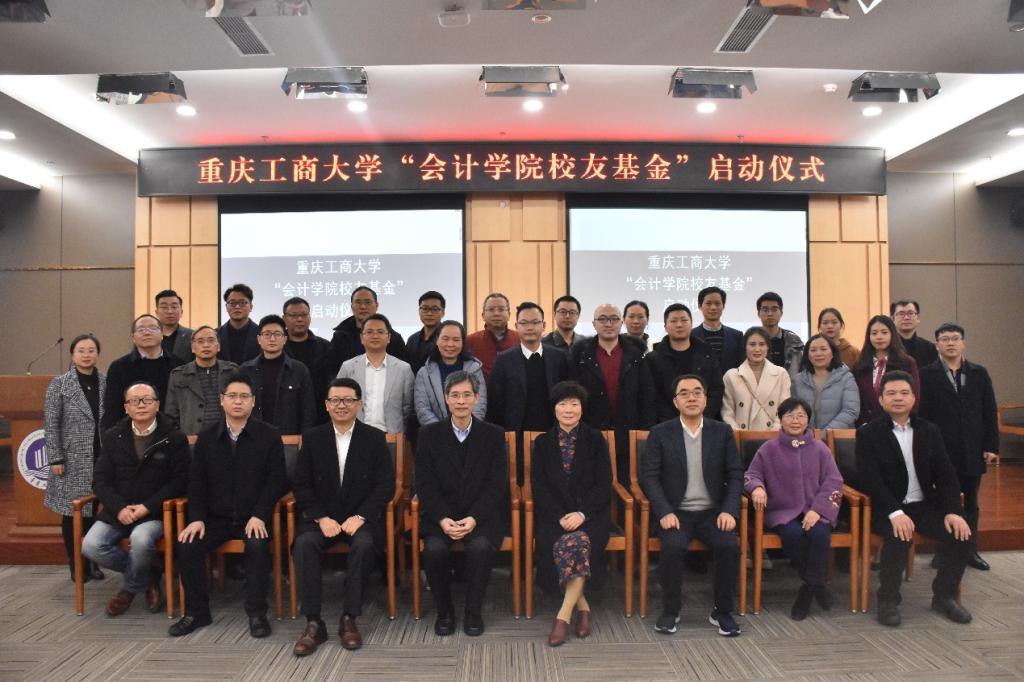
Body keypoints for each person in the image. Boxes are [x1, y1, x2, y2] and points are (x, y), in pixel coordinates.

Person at [172, 372, 287, 638]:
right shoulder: (207, 438)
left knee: (257, 545)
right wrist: (196, 518)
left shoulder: (269, 435)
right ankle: (196, 612)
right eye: (232, 396)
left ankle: (257, 613)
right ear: (221, 400)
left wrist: (260, 515)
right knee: (188, 544)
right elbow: (197, 483)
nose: (238, 401)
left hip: (254, 517)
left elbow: (276, 481)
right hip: (217, 518)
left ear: (253, 401)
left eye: (244, 397)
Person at [855, 371, 972, 627]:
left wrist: (953, 511)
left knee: (961, 534)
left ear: (913, 398)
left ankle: (944, 596)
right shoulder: (868, 434)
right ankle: (888, 600)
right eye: (891, 393)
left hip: (924, 506)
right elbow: (870, 480)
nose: (898, 398)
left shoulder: (930, 430)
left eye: (904, 393)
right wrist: (895, 513)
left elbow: (946, 474)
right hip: (887, 507)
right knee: (899, 536)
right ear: (881, 400)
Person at [290, 378, 396, 655]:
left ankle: (349, 618)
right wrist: (320, 517)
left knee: (364, 545)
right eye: (335, 400)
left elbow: (385, 485)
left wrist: (361, 516)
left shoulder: (374, 438)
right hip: (322, 519)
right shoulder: (312, 438)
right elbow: (301, 483)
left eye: (348, 400)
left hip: (359, 519)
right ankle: (313, 622)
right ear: (326, 405)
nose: (341, 405)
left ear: (359, 404)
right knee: (304, 544)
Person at [640, 374, 743, 637]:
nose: (691, 398)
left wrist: (729, 510)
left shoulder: (722, 432)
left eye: (697, 392)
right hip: (676, 512)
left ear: (706, 399)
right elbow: (649, 477)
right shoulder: (660, 433)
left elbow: (735, 474)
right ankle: (670, 610)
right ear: (675, 402)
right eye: (684, 393)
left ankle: (722, 611)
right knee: (673, 547)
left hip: (713, 512)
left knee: (729, 546)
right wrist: (664, 511)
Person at [414, 371, 509, 637]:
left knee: (480, 548)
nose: (461, 401)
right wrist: (442, 518)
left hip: (480, 517)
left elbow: (496, 484)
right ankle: (444, 612)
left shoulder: (493, 434)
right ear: (446, 398)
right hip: (441, 517)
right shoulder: (428, 434)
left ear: (477, 398)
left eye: (467, 395)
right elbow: (425, 484)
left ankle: (473, 611)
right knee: (434, 550)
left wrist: (474, 518)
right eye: (455, 395)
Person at [83, 381, 189, 616]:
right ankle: (148, 574)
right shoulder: (113, 436)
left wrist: (147, 507)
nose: (141, 405)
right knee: (91, 546)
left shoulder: (174, 437)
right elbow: (100, 480)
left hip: (155, 512)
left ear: (157, 405)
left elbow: (180, 482)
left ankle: (130, 589)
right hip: (118, 511)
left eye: (147, 400)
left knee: (140, 540)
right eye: (134, 401)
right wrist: (120, 508)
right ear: (126, 407)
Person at [744, 397, 844, 620]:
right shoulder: (768, 449)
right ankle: (818, 585)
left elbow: (834, 481)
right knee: (793, 535)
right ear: (780, 419)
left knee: (819, 534)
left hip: (816, 510)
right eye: (790, 416)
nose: (795, 421)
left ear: (808, 420)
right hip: (783, 511)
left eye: (801, 416)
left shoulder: (820, 448)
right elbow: (751, 475)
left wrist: (818, 510)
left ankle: (807, 591)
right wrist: (757, 488)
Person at [530, 381, 611, 647]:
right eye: (562, 404)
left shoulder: (596, 439)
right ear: (554, 409)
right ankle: (583, 607)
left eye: (574, 404)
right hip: (554, 517)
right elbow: (539, 487)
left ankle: (563, 616)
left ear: (582, 408)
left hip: (591, 516)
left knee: (576, 542)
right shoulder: (542, 443)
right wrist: (560, 516)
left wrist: (582, 513)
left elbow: (604, 484)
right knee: (567, 543)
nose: (568, 409)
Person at [918, 323, 999, 572]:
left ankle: (969, 550)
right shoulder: (926, 374)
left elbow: (989, 411)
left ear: (963, 343)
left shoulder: (979, 373)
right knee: (944, 501)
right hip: (941, 450)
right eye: (945, 339)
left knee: (971, 502)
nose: (950, 343)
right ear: (937, 345)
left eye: (955, 338)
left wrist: (991, 445)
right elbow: (923, 414)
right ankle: (943, 551)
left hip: (971, 449)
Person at [43, 334, 106, 581]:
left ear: (97, 354)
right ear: (72, 354)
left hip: (101, 457)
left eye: (91, 350)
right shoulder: (60, 384)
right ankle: (76, 563)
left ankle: (91, 561)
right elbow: (51, 423)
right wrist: (55, 458)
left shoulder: (106, 382)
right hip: (71, 460)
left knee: (94, 513)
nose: (86, 355)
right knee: (73, 514)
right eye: (81, 350)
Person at [570, 303, 652, 484]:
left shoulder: (636, 355)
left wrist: (644, 431)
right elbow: (574, 395)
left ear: (621, 323)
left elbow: (647, 396)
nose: (608, 324)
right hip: (591, 432)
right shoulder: (580, 355)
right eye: (603, 319)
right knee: (592, 484)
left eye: (614, 319)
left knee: (627, 484)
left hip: (629, 433)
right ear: (594, 324)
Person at [486, 302, 571, 439]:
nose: (530, 328)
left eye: (535, 322)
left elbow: (567, 396)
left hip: (554, 434)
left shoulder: (559, 357)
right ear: (516, 326)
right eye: (524, 323)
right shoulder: (503, 360)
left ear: (544, 325)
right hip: (516, 435)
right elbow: (495, 403)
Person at [102, 314, 184, 429]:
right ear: (133, 337)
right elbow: (112, 408)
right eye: (141, 329)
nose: (147, 333)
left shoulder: (179, 366)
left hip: (171, 431)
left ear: (162, 334)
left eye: (153, 328)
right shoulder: (119, 367)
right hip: (131, 432)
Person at [337, 313, 415, 434]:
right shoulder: (348, 367)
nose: (375, 336)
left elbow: (407, 407)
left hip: (391, 436)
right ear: (361, 338)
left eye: (380, 332)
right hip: (354, 434)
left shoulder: (403, 369)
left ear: (388, 337)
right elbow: (337, 401)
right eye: (369, 332)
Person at [645, 303, 724, 422]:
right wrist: (674, 423)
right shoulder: (653, 359)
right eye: (673, 321)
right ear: (665, 327)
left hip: (703, 422)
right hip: (666, 425)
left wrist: (701, 417)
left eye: (684, 320)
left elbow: (716, 390)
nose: (679, 324)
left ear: (691, 324)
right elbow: (651, 396)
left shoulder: (707, 355)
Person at [240, 314, 317, 436]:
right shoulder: (245, 370)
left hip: (289, 438)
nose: (272, 339)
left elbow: (308, 410)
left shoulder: (299, 370)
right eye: (267, 334)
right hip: (253, 437)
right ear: (259, 339)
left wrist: (305, 438)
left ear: (285, 339)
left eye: (277, 334)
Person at [165, 326, 238, 436]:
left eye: (211, 340)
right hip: (192, 438)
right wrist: (182, 438)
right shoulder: (179, 375)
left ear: (218, 346)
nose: (206, 345)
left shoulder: (232, 371)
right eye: (200, 341)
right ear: (192, 348)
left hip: (228, 436)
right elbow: (171, 414)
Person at [325, 286, 408, 379]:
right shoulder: (340, 337)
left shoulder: (394, 338)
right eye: (358, 302)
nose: (363, 307)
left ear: (377, 305)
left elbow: (402, 371)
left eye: (368, 302)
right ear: (352, 307)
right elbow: (331, 370)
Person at [414, 320, 487, 425]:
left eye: (456, 340)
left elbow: (480, 404)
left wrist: (466, 428)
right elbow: (423, 409)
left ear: (463, 343)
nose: (450, 344)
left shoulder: (474, 369)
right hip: (436, 432)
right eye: (445, 339)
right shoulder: (424, 373)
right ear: (437, 341)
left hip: (470, 432)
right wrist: (441, 430)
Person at [852, 315, 919, 427]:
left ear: (892, 334)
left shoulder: (907, 363)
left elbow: (914, 396)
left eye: (884, 332)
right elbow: (855, 399)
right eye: (874, 333)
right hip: (867, 426)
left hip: (898, 425)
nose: (879, 337)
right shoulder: (860, 365)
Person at [722, 327, 791, 431]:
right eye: (752, 344)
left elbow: (785, 409)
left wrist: (774, 432)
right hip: (742, 435)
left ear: (768, 347)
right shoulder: (731, 376)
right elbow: (727, 412)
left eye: (762, 344)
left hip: (773, 435)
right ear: (745, 347)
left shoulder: (781, 374)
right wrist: (738, 433)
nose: (757, 349)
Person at [791, 334, 859, 430]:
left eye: (823, 349)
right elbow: (793, 411)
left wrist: (825, 433)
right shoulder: (797, 380)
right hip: (806, 437)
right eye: (813, 350)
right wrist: (808, 434)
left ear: (832, 352)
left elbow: (851, 410)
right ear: (807, 354)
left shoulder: (846, 378)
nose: (818, 354)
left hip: (839, 436)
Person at [465, 292, 520, 380]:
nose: (496, 313)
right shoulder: (470, 341)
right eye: (491, 309)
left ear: (509, 315)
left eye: (501, 309)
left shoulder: (520, 339)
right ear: (483, 315)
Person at [692, 286, 744, 371]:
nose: (713, 307)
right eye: (708, 303)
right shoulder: (691, 336)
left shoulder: (737, 336)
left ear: (723, 306)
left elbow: (742, 367)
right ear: (700, 306)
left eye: (717, 303)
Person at [282, 296, 331, 385]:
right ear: (284, 318)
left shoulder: (325, 346)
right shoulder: (275, 346)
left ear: (310, 318)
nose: (299, 319)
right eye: (294, 315)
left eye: (304, 315)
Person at [755, 292, 803, 379]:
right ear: (758, 314)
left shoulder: (794, 341)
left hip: (789, 386)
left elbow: (802, 370)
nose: (770, 314)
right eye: (765, 310)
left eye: (774, 309)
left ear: (781, 313)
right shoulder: (751, 341)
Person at [217, 283, 260, 365]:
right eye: (232, 303)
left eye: (242, 302)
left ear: (251, 306)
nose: (237, 306)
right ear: (226, 307)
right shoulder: (216, 335)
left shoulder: (261, 334)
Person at [891, 300, 939, 370]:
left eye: (910, 313)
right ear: (892, 319)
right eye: (901, 314)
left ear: (918, 318)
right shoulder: (888, 347)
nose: (906, 318)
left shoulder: (929, 348)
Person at [406, 291, 446, 374]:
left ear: (443, 313)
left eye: (435, 309)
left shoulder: (448, 338)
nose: (429, 313)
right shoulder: (412, 339)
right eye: (425, 308)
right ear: (419, 311)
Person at [155, 289, 193, 362]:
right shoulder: (148, 336)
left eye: (174, 307)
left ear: (181, 312)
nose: (170, 311)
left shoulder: (192, 336)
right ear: (157, 312)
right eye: (164, 307)